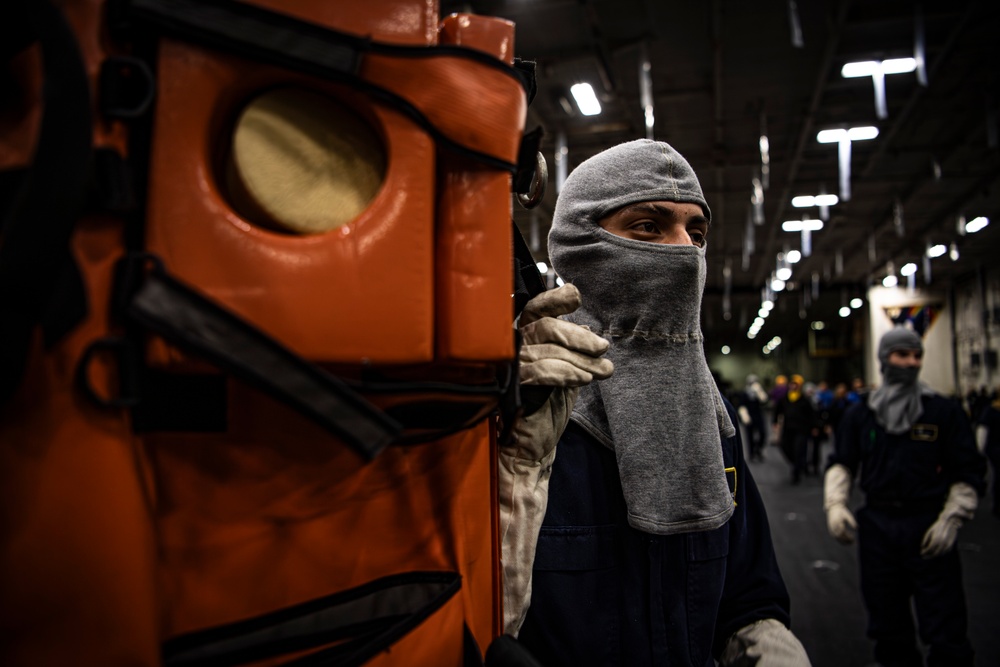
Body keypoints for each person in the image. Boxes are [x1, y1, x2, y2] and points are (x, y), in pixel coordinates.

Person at [503, 139, 810, 666]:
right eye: (649, 227)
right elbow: (481, 623)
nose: (684, 252)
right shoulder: (523, 413)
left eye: (697, 232)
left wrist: (767, 646)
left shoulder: (712, 422)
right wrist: (515, 468)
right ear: (579, 240)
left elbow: (748, 594)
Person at [823, 327, 987, 667]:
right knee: (888, 627)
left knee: (946, 630)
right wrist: (836, 503)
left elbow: (968, 471)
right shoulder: (862, 414)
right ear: (885, 359)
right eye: (902, 355)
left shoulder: (942, 412)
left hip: (929, 525)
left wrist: (951, 518)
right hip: (878, 530)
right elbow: (843, 462)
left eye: (917, 356)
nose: (911, 363)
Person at [773, 374, 820, 484]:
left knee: (799, 449)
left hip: (801, 429)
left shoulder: (804, 399)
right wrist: (775, 422)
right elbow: (778, 410)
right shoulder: (785, 399)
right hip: (788, 429)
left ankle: (796, 472)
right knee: (785, 447)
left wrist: (815, 427)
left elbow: (811, 414)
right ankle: (798, 463)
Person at [974, 389, 1000, 518]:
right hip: (996, 448)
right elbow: (982, 431)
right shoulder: (991, 411)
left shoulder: (990, 411)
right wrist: (980, 450)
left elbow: (982, 430)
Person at [738, 374, 770, 462]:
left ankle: (758, 449)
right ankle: (751, 454)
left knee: (763, 433)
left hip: (758, 415)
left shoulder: (759, 392)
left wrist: (759, 392)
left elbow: (765, 401)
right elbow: (741, 405)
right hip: (749, 416)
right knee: (749, 436)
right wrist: (744, 416)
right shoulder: (744, 393)